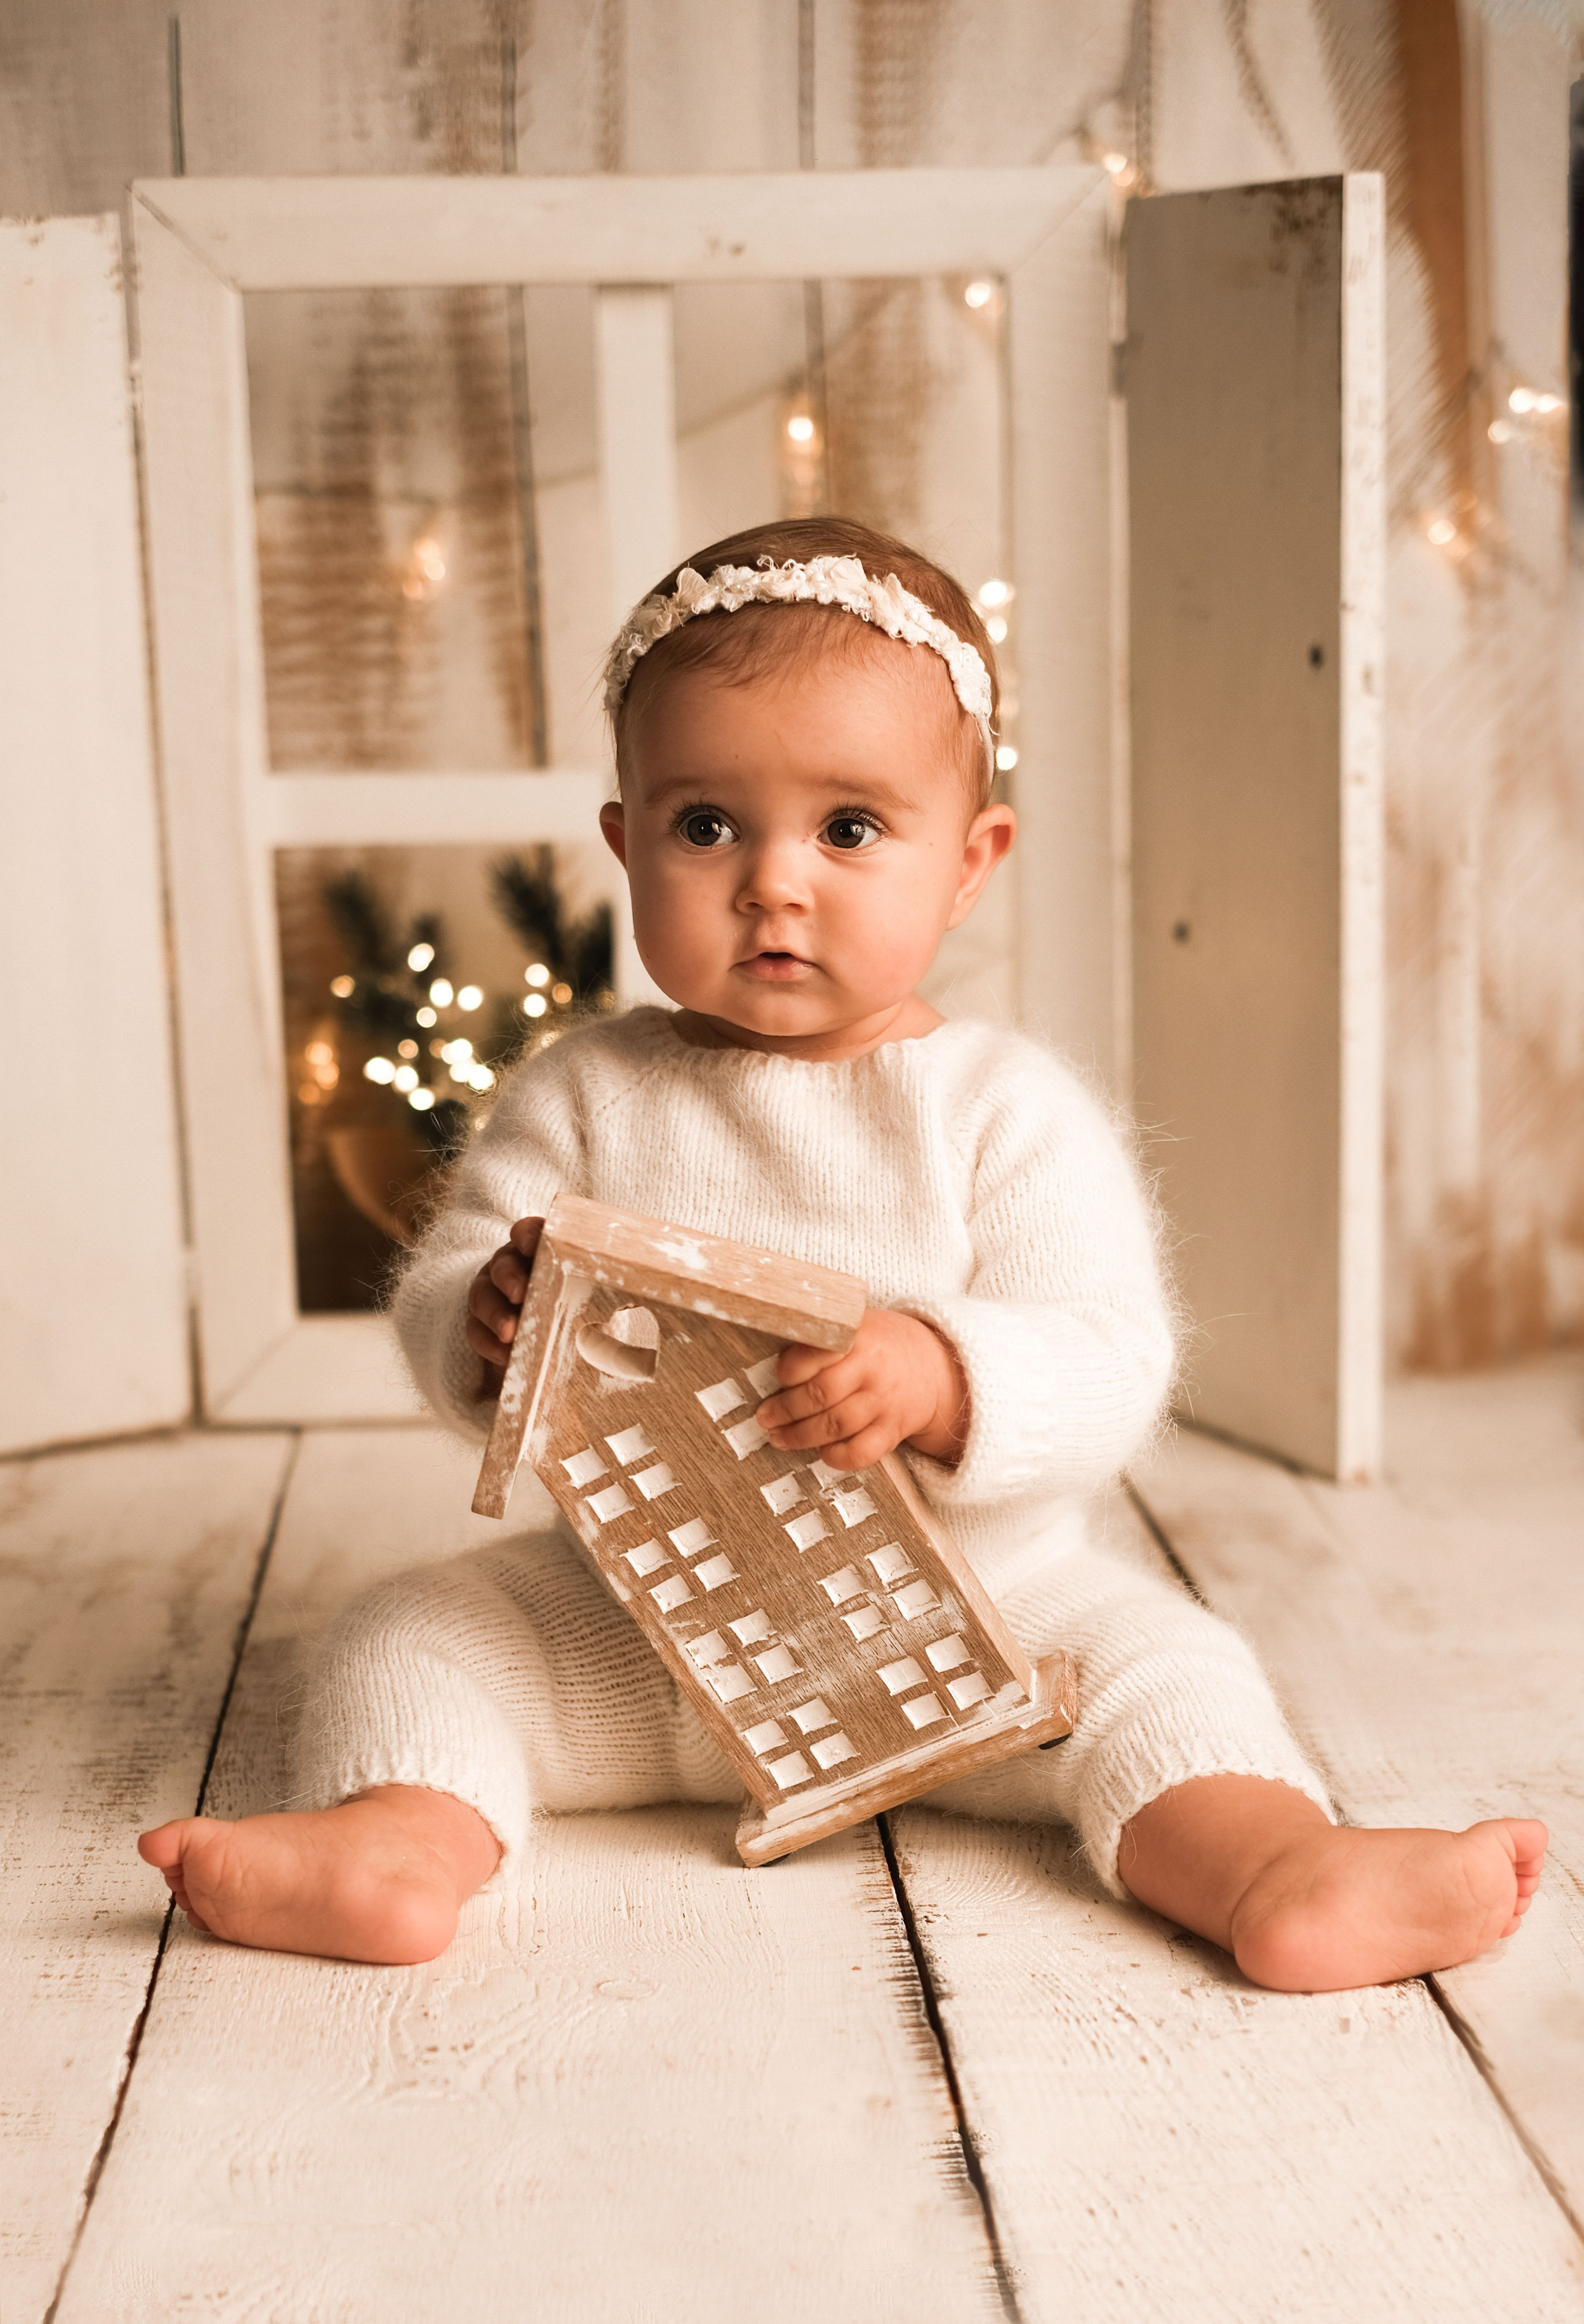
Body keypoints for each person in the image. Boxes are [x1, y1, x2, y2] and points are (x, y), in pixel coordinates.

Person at [139, 519, 1545, 1985]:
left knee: (1170, 1672)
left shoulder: (1001, 1111)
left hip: (988, 1626)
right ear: (623, 844)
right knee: (413, 1636)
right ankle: (401, 1846)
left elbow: (1113, 1351)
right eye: (704, 827)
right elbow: (452, 1288)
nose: (772, 883)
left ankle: (1274, 1866)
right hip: (645, 1619)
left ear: (968, 862)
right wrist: (486, 1323)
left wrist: (942, 1374)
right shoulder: (582, 1095)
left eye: (849, 829)